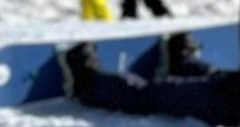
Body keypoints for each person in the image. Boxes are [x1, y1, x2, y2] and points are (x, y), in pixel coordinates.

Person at [60, 31, 239, 125]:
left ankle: (87, 82)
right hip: (230, 87)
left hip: (227, 104)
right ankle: (181, 64)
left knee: (151, 95)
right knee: (216, 77)